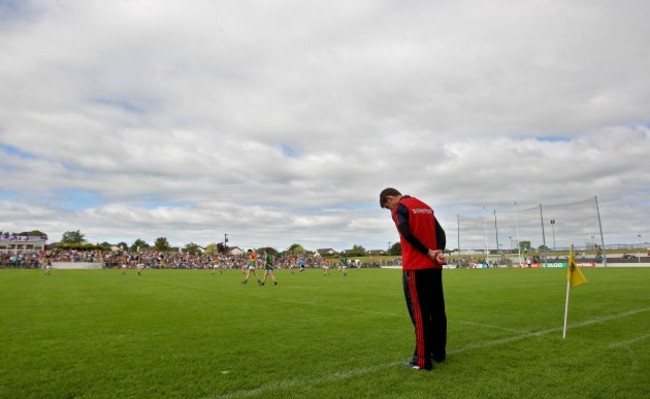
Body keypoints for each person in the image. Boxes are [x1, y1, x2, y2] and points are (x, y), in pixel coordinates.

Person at [379, 187, 447, 371]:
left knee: (419, 314)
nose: (389, 210)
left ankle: (422, 361)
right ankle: (439, 353)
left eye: (387, 206)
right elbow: (441, 232)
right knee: (437, 311)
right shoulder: (425, 206)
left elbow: (406, 232)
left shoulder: (400, 208)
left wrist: (428, 252)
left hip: (416, 267)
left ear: (390, 198)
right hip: (434, 267)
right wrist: (438, 251)